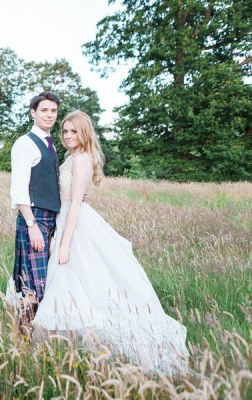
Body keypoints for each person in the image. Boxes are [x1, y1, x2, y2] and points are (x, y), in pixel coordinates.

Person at [32, 110, 189, 373]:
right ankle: (71, 350)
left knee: (83, 281)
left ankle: (106, 345)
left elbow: (76, 206)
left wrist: (65, 243)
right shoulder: (71, 157)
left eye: (74, 131)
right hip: (66, 220)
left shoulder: (82, 159)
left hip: (76, 225)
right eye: (65, 131)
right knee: (74, 285)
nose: (68, 136)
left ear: (84, 133)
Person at [9, 91, 62, 336]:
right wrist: (32, 225)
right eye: (44, 110)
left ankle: (34, 338)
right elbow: (19, 190)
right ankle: (22, 339)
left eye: (53, 111)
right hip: (35, 219)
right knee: (33, 285)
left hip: (51, 221)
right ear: (33, 112)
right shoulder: (25, 144)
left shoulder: (51, 145)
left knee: (48, 283)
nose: (49, 115)